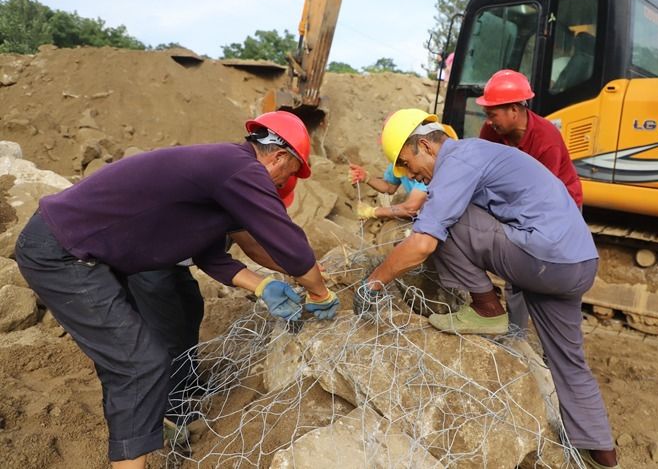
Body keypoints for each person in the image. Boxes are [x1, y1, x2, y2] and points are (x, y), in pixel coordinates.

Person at [15, 110, 340, 469]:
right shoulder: (240, 167)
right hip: (62, 252)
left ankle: (137, 434)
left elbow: (211, 256)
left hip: (78, 251)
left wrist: (263, 285)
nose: (280, 186)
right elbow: (288, 242)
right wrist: (320, 290)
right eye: (287, 176)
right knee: (140, 363)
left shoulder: (223, 172)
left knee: (131, 362)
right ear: (279, 157)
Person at [359, 108, 619, 469]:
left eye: (406, 163)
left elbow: (423, 244)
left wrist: (372, 284)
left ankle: (486, 309)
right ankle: (604, 458)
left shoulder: (459, 160)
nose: (409, 174)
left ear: (425, 146)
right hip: (576, 262)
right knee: (569, 363)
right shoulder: (479, 153)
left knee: (438, 219)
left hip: (546, 255)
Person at [124, 176, 299, 446]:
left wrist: (286, 270)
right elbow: (250, 249)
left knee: (191, 305)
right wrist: (301, 270)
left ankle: (188, 378)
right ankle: (172, 409)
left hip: (170, 257)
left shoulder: (237, 201)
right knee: (167, 327)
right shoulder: (233, 198)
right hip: (144, 252)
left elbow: (214, 255)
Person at [477, 68, 583, 331]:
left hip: (559, 207)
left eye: (493, 114)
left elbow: (542, 198)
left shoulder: (547, 140)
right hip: (514, 201)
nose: (489, 121)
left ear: (514, 109)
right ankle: (516, 336)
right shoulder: (491, 132)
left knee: (554, 272)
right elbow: (480, 169)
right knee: (517, 272)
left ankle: (556, 343)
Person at [348, 161, 428, 220]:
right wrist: (366, 178)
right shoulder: (398, 161)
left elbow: (410, 208)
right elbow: (390, 186)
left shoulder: (427, 170)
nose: (409, 176)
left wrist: (372, 212)